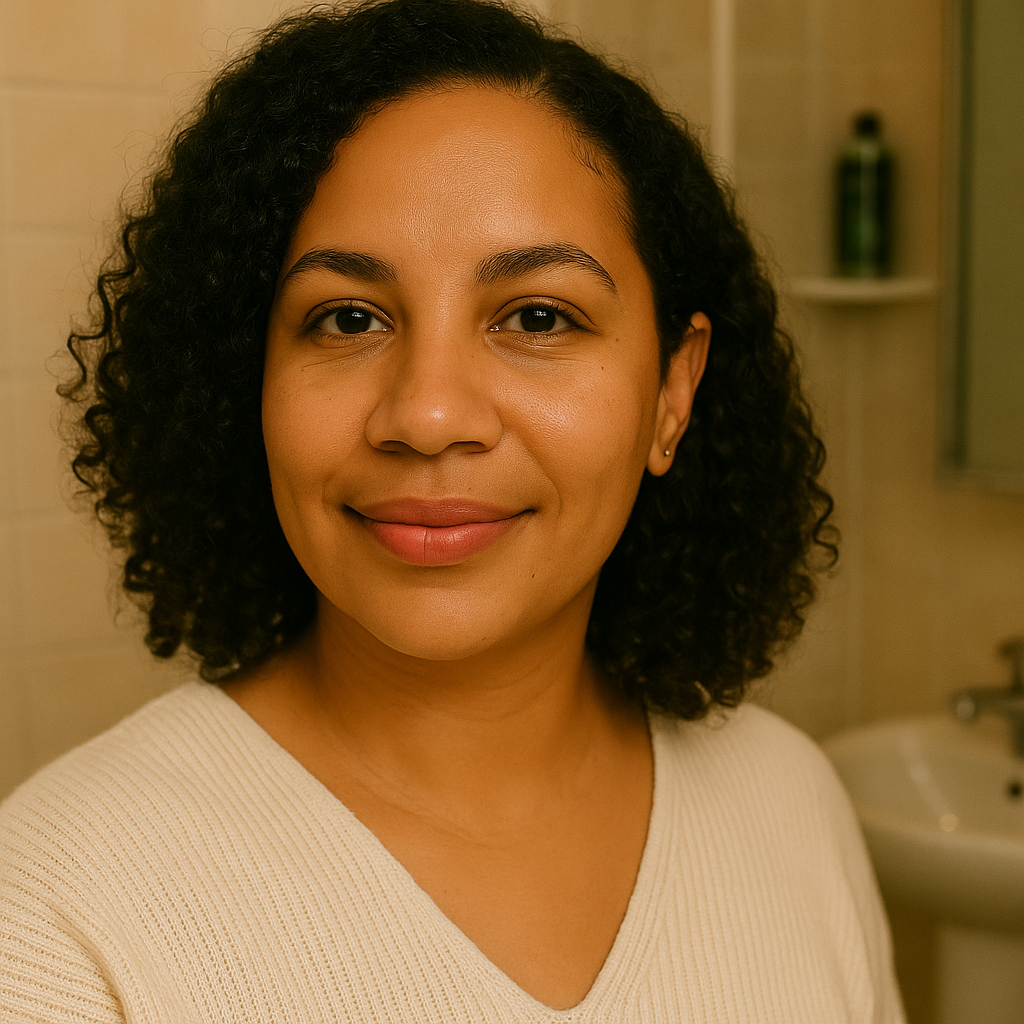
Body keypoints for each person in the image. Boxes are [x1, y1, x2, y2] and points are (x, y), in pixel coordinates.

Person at [0, 1, 905, 1020]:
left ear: (672, 394)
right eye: (347, 318)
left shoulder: (791, 801)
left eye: (536, 317)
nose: (427, 414)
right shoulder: (55, 912)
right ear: (241, 385)